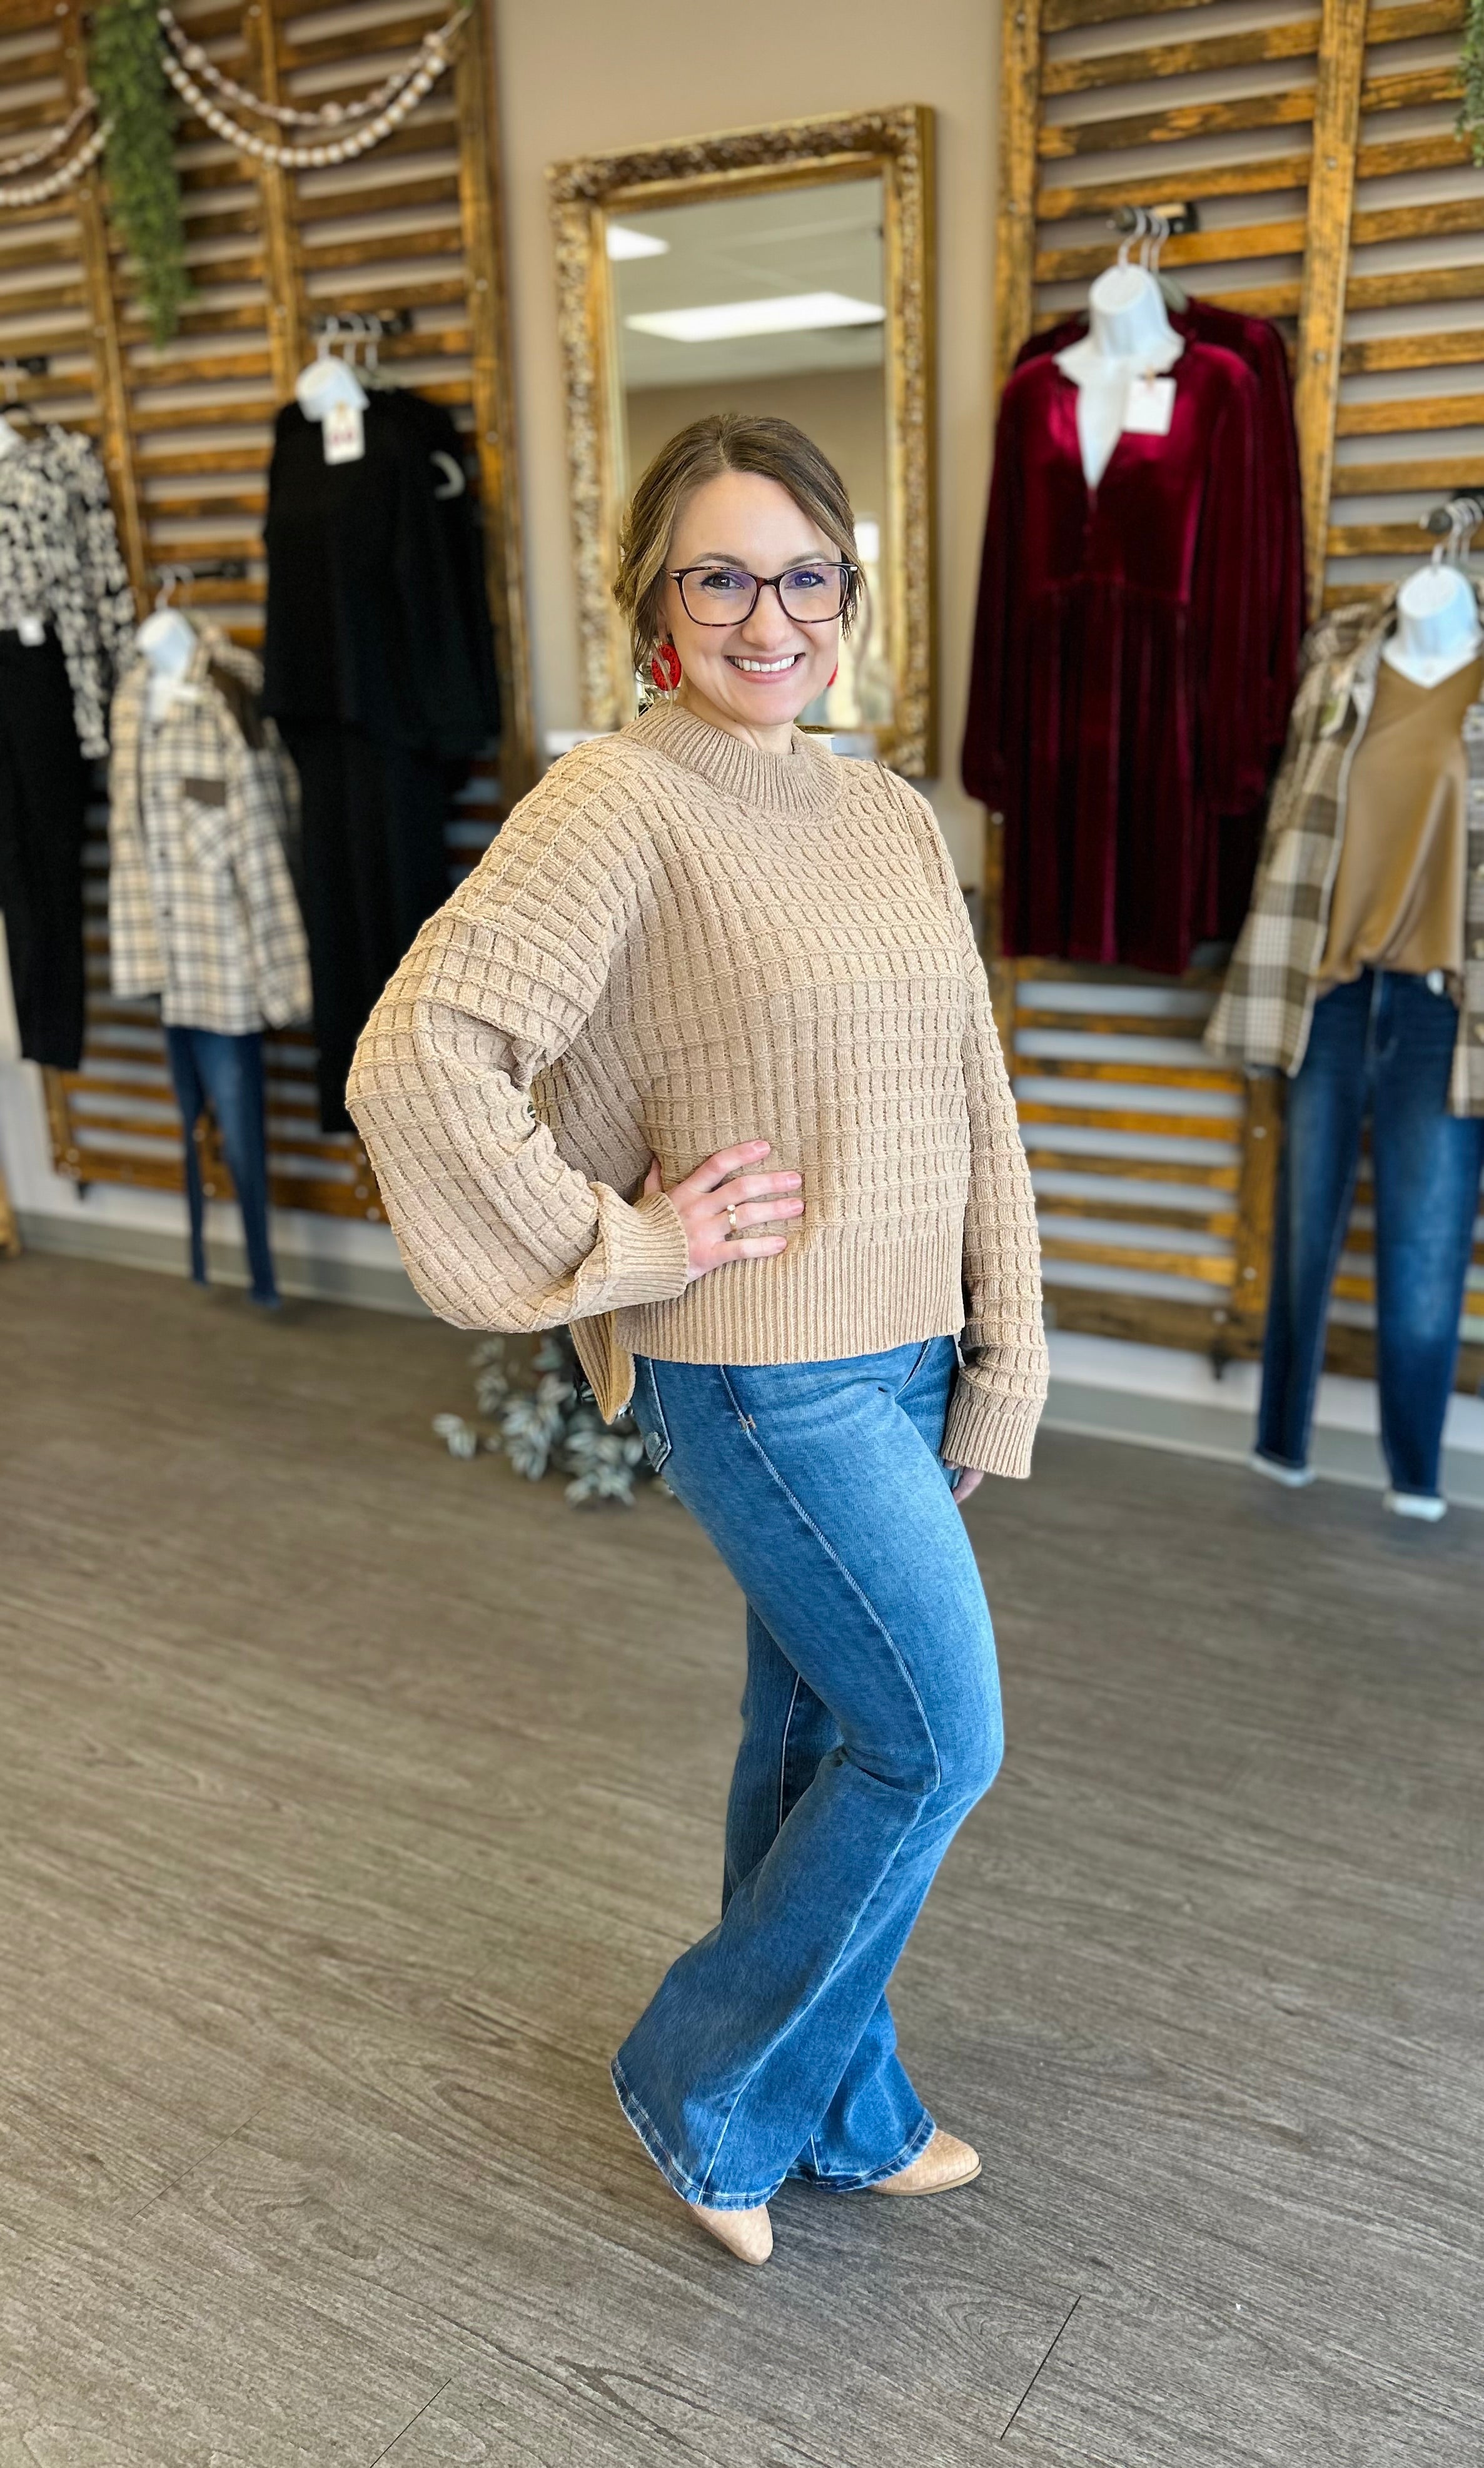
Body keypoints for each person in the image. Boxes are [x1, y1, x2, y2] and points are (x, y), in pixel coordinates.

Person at [346, 413, 1048, 2265]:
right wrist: (630, 1244)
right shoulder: (618, 802)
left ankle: (840, 2107)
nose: (769, 616)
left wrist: (1001, 1354)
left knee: (820, 1740)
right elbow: (420, 1056)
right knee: (939, 1740)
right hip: (760, 1368)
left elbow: (972, 1095)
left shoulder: (886, 811)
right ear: (654, 604)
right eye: (720, 577)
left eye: (806, 575)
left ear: (847, 596)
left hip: (902, 1356)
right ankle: (705, 2080)